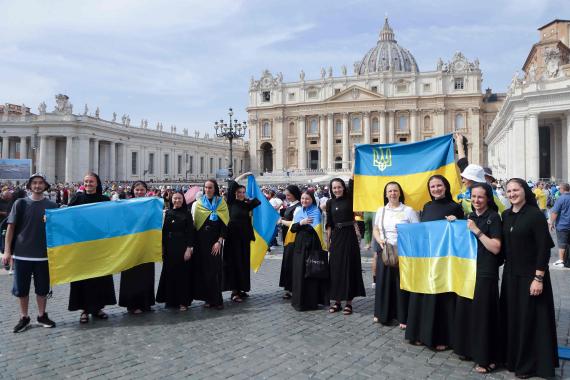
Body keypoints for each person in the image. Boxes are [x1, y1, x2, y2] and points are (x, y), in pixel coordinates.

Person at [500, 178, 558, 378]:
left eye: (516, 190)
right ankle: (514, 359)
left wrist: (538, 278)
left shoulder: (535, 215)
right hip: (510, 276)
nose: (512, 194)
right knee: (513, 319)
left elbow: (543, 250)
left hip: (531, 276)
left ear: (524, 191)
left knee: (530, 321)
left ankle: (530, 364)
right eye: (509, 191)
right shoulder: (505, 215)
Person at [405, 175, 464, 350]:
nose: (436, 189)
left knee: (441, 299)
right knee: (423, 296)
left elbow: (460, 233)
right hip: (427, 258)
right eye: (432, 187)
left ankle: (442, 337)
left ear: (445, 187)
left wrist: (456, 222)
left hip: (444, 260)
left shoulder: (455, 207)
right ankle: (420, 334)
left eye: (439, 185)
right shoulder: (427, 206)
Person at [452, 183, 502, 374]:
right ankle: (468, 349)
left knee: (484, 315)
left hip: (486, 271)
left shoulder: (494, 218)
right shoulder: (470, 217)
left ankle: (487, 357)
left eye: (480, 197)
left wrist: (477, 231)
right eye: (473, 197)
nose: (476, 200)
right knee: (467, 311)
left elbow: (496, 247)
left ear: (488, 198)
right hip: (469, 270)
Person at [2, 174, 57, 332]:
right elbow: (10, 228)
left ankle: (41, 315)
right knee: (22, 289)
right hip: (22, 253)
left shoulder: (52, 206)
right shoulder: (20, 203)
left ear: (45, 186)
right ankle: (24, 317)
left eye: (40, 183)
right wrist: (7, 251)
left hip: (44, 254)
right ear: (30, 185)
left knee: (42, 288)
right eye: (35, 183)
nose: (38, 186)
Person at [68, 172, 117, 324]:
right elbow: (67, 216)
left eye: (91, 181)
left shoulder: (104, 199)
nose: (88, 184)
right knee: (83, 277)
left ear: (97, 183)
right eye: (86, 181)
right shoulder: (77, 198)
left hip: (99, 244)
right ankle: (84, 310)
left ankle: (98, 307)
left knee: (99, 277)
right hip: (81, 244)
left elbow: (110, 219)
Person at [373, 181, 418, 327]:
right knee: (384, 284)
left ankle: (402, 316)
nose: (393, 193)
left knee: (401, 285)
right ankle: (382, 314)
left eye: (395, 191)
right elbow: (375, 229)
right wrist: (379, 240)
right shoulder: (381, 210)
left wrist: (406, 234)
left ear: (400, 193)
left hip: (403, 252)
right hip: (385, 250)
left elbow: (417, 231)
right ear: (386, 194)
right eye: (390, 191)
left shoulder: (409, 211)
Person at [326, 178, 365, 315]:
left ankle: (349, 302)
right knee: (336, 268)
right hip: (336, 237)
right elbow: (329, 223)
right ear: (331, 189)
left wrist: (355, 162)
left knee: (349, 267)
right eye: (334, 188)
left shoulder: (350, 199)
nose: (337, 190)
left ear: (343, 187)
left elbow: (353, 182)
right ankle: (337, 301)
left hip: (349, 236)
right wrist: (328, 241)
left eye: (339, 187)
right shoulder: (329, 203)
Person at [118, 181, 157, 314]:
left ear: (146, 191)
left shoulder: (151, 204)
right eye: (137, 190)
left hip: (146, 244)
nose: (139, 192)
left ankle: (146, 303)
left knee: (146, 274)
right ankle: (132, 304)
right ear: (133, 191)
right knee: (132, 275)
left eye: (142, 190)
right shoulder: (126, 205)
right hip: (131, 244)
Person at [191, 179, 229, 309]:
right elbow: (195, 224)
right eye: (206, 187)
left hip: (215, 243)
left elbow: (225, 225)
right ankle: (208, 299)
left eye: (210, 187)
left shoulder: (221, 203)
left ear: (215, 189)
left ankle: (218, 300)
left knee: (215, 271)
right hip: (201, 243)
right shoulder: (199, 204)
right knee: (204, 271)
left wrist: (219, 241)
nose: (208, 190)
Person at [223, 172, 260, 302]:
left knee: (243, 264)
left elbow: (259, 201)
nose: (241, 194)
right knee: (234, 264)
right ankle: (234, 292)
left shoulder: (246, 204)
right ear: (235, 193)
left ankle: (242, 288)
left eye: (243, 192)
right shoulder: (231, 203)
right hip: (232, 239)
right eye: (239, 192)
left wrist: (252, 190)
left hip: (244, 239)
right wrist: (245, 175)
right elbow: (232, 184)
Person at [156, 191, 195, 311]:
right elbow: (163, 232)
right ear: (171, 200)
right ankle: (171, 300)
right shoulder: (167, 213)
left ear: (183, 200)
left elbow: (190, 233)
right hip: (169, 247)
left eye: (179, 198)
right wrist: (162, 248)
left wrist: (189, 249)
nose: (177, 201)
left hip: (182, 247)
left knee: (182, 275)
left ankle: (183, 301)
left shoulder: (187, 214)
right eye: (175, 199)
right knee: (170, 273)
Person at [290, 191, 328, 311]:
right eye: (302, 199)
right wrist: (301, 222)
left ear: (312, 200)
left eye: (307, 199)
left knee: (310, 273)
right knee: (299, 273)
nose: (304, 201)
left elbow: (313, 230)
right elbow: (293, 229)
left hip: (311, 246)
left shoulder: (316, 212)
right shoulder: (298, 211)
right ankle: (299, 301)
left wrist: (300, 225)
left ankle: (310, 302)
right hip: (299, 246)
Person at [278, 185, 302, 299]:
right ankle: (289, 287)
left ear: (294, 194)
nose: (286, 197)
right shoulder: (291, 205)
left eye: (288, 195)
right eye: (286, 195)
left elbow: (294, 223)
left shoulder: (298, 206)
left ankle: (293, 288)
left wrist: (281, 221)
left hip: (294, 238)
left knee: (291, 263)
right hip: (288, 237)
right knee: (288, 262)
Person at [549, 183, 570, 267]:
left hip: (562, 225)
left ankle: (561, 260)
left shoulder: (561, 199)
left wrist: (551, 223)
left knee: (562, 243)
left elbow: (555, 212)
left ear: (562, 189)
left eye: (559, 189)